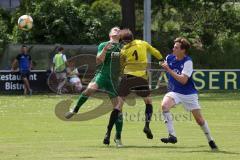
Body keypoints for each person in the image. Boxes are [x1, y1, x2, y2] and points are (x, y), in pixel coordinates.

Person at [64, 27, 124, 147]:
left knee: (118, 109)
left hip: (114, 79)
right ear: (110, 34)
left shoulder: (123, 47)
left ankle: (117, 137)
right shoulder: (103, 44)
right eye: (114, 30)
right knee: (90, 89)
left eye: (118, 30)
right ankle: (75, 109)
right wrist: (105, 50)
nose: (117, 31)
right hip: (102, 74)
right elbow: (98, 60)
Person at [103, 29, 163, 145]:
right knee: (148, 102)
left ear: (123, 40)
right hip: (141, 78)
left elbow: (121, 65)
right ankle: (146, 126)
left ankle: (108, 133)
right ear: (132, 37)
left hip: (127, 77)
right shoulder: (143, 43)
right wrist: (161, 59)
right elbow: (156, 52)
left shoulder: (124, 50)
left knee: (118, 106)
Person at [160, 37, 218, 150]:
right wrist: (165, 67)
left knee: (199, 120)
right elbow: (167, 68)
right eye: (174, 47)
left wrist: (169, 70)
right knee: (164, 106)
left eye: (176, 47)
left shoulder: (188, 62)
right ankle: (172, 135)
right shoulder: (169, 57)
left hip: (188, 94)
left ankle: (210, 140)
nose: (173, 49)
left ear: (183, 50)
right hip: (175, 92)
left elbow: (183, 80)